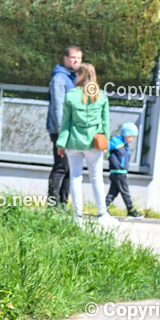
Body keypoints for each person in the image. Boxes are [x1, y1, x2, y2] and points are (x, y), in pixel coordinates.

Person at [56, 62, 115, 226]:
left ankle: (78, 216)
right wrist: (106, 146)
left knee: (75, 177)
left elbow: (65, 123)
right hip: (94, 143)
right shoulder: (101, 96)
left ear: (81, 75)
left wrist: (61, 143)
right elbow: (105, 124)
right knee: (97, 178)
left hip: (73, 142)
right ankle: (102, 214)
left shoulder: (71, 95)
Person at [46, 46, 82, 209]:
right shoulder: (59, 79)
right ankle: (53, 204)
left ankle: (62, 204)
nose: (76, 61)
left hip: (71, 130)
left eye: (79, 58)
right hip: (61, 131)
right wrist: (63, 133)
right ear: (65, 58)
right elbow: (58, 107)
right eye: (73, 58)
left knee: (69, 168)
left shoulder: (73, 78)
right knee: (61, 166)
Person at [105, 122, 143, 218]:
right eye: (132, 136)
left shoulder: (125, 145)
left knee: (113, 192)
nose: (133, 139)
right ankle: (131, 210)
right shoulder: (116, 142)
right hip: (118, 172)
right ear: (127, 134)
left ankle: (103, 208)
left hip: (120, 172)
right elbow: (106, 148)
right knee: (125, 192)